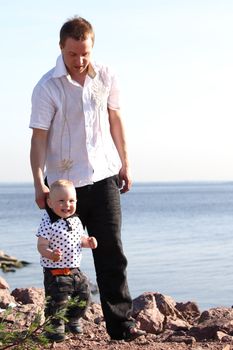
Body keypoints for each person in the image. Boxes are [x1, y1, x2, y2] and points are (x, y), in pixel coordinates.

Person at [30, 16, 146, 341]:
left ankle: (121, 326)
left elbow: (116, 120)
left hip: (105, 177)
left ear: (92, 47)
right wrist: (39, 181)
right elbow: (38, 138)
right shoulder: (46, 87)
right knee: (59, 261)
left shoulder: (106, 76)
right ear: (61, 48)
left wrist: (126, 163)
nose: (80, 61)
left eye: (85, 54)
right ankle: (57, 324)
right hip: (64, 188)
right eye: (73, 54)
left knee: (112, 253)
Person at [37, 179, 98, 342]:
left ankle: (73, 319)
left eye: (71, 200)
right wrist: (50, 254)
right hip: (55, 270)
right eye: (61, 201)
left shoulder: (76, 220)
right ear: (50, 203)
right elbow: (41, 246)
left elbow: (80, 240)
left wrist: (89, 242)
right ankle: (54, 326)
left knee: (84, 294)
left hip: (74, 269)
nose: (67, 205)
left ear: (76, 201)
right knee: (58, 298)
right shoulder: (48, 221)